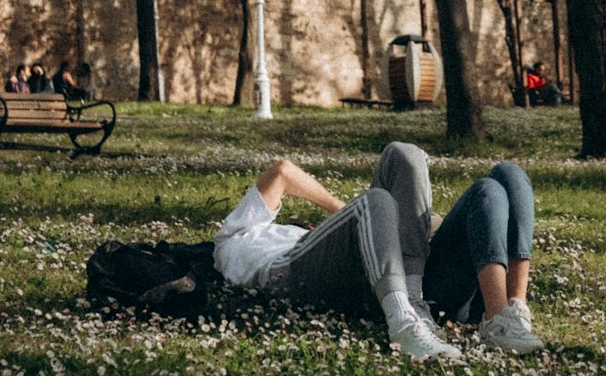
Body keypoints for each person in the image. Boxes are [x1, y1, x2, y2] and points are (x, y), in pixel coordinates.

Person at [213, 142, 545, 361]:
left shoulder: (312, 233)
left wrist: (365, 220)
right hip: (286, 271)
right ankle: (405, 322)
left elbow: (430, 225)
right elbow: (283, 171)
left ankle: (507, 313)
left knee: (484, 174)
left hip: (395, 270)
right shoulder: (238, 232)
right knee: (376, 202)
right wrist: (349, 212)